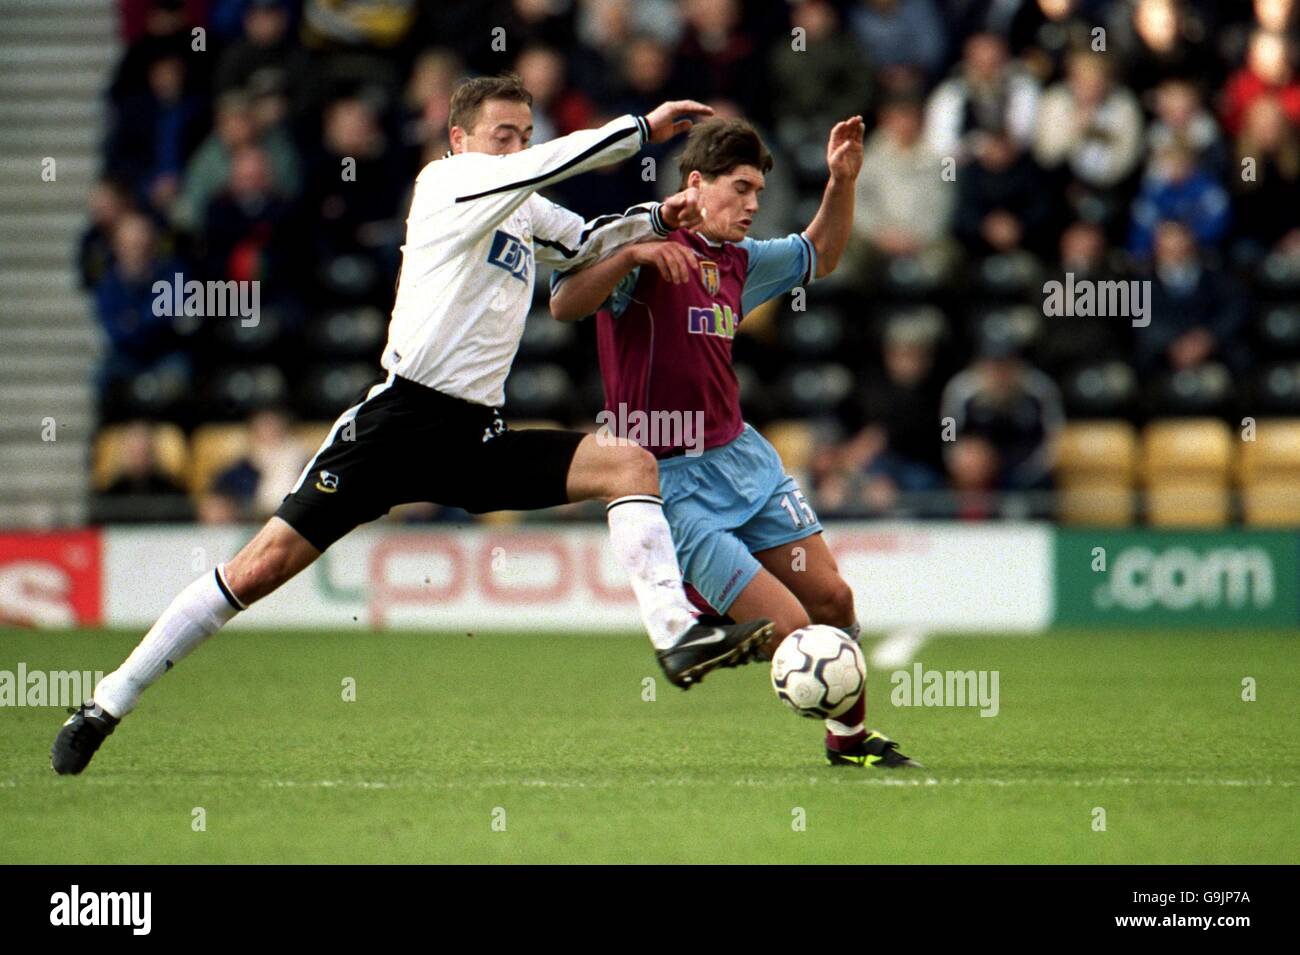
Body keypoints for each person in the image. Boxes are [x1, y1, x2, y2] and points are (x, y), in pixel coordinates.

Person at [53, 75, 773, 776]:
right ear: (459, 140)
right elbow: (555, 165)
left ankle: (677, 635)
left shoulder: (520, 207)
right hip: (400, 421)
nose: (518, 147)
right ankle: (107, 701)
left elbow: (584, 239)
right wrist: (640, 130)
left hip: (473, 436)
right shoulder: (445, 183)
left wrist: (656, 219)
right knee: (260, 565)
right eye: (503, 136)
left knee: (629, 463)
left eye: (525, 134)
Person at [549, 117, 917, 769]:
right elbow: (565, 303)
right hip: (668, 483)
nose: (752, 204)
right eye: (741, 189)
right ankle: (725, 649)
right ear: (697, 184)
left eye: (758, 191)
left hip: (742, 462)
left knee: (834, 599)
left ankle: (850, 740)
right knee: (792, 628)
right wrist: (630, 256)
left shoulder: (741, 263)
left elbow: (821, 254)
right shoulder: (647, 249)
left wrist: (841, 182)